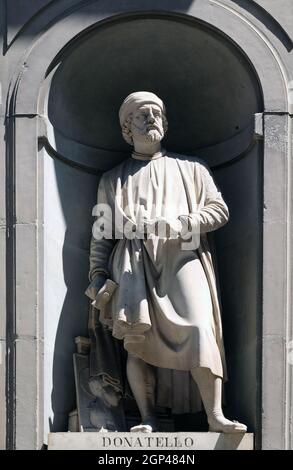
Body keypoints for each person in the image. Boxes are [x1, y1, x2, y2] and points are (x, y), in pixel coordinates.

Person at [86, 91, 247, 433]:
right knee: (136, 340)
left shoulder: (192, 168)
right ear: (127, 128)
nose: (152, 120)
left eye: (157, 114)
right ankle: (147, 419)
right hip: (132, 260)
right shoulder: (112, 179)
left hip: (183, 252)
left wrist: (181, 224)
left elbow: (219, 210)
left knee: (201, 326)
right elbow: (101, 234)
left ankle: (214, 415)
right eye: (143, 115)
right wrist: (98, 276)